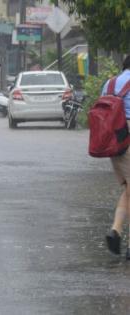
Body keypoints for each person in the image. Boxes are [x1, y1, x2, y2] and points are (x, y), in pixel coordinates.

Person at [104, 55, 130, 259]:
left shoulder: (110, 83)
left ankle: (116, 230)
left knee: (128, 188)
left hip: (112, 139)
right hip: (128, 133)